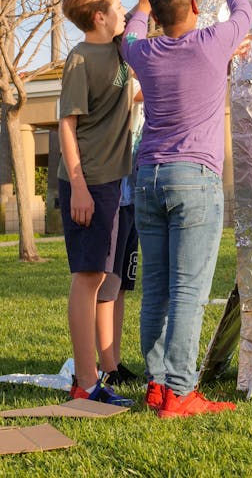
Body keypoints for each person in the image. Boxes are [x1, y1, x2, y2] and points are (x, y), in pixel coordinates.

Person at [121, 0, 252, 418]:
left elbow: (131, 30)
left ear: (155, 14)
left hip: (148, 179)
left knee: (155, 287)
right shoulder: (212, 42)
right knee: (189, 292)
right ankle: (179, 392)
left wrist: (142, 5)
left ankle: (157, 384)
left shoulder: (142, 51)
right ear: (195, 7)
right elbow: (245, 11)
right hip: (194, 180)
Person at [58, 0, 135, 406]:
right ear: (99, 17)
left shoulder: (120, 50)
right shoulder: (80, 59)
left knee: (105, 277)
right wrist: (79, 188)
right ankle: (85, 383)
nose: (124, 11)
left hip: (115, 181)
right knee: (87, 277)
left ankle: (97, 376)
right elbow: (67, 125)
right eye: (117, 6)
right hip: (88, 182)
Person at [96, 81, 144, 386]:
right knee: (107, 285)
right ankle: (106, 365)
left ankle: (115, 359)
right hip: (111, 197)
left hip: (131, 199)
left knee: (123, 285)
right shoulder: (118, 75)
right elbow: (135, 91)